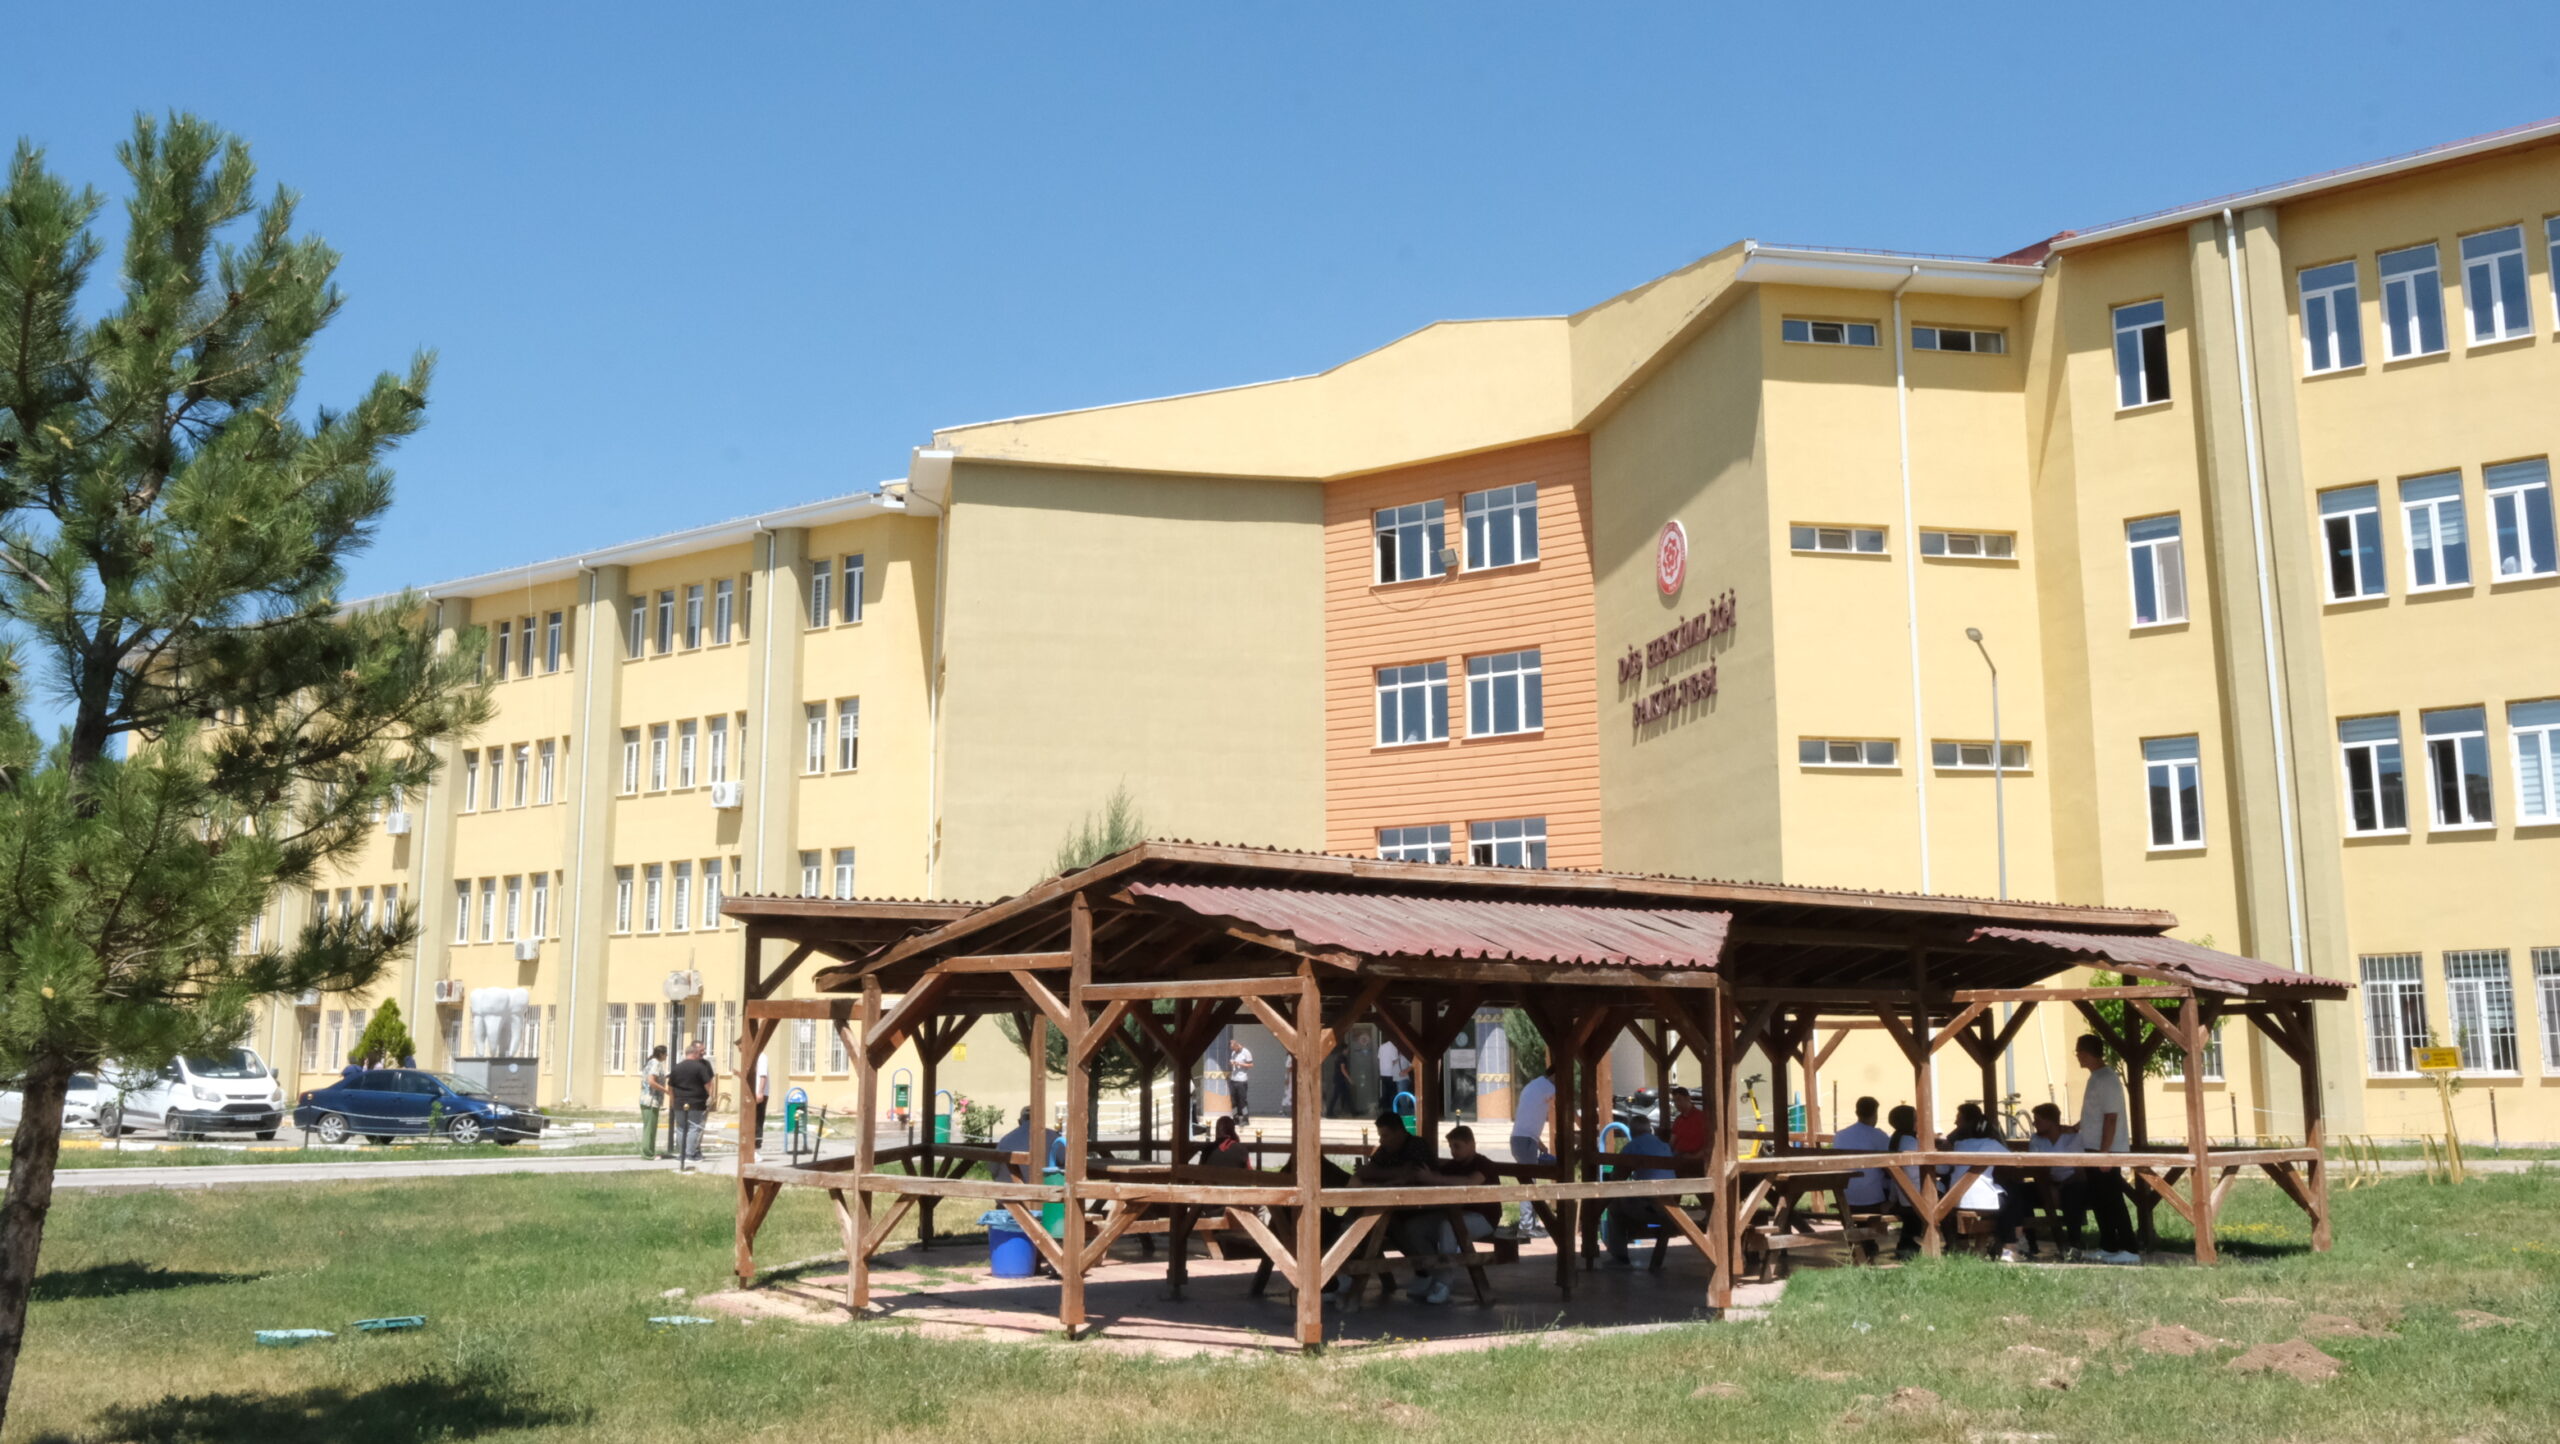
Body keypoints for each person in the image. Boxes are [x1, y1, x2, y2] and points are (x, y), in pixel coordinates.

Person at [2070, 1034, 2141, 1264]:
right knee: (2100, 1199)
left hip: (2105, 1150)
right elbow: (2095, 1114)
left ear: (2086, 1052)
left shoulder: (2108, 1079)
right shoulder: (2095, 1078)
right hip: (2093, 1148)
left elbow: (2111, 1117)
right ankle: (2109, 1245)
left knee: (2112, 1199)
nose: (2077, 1056)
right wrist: (2075, 1128)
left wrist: (2104, 1153)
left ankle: (2129, 1248)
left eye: (2078, 1052)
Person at [1599, 1116, 1677, 1267]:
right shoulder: (1664, 1146)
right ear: (1649, 1129)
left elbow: (1618, 1177)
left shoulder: (1632, 1146)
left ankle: (1619, 1255)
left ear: (1632, 1131)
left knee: (1614, 1206)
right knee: (1628, 1203)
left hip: (1650, 1208)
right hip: (1672, 1208)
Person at [2008, 1101, 2081, 1260]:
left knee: (2073, 1193)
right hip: (2046, 1182)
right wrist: (2050, 1186)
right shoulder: (2036, 1139)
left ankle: (2074, 1246)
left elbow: (2080, 1170)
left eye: (2038, 1120)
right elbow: (2036, 1167)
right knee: (2020, 1192)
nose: (2034, 1124)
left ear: (2051, 1122)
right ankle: (2029, 1243)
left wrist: (2060, 1186)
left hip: (2070, 1182)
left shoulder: (2072, 1138)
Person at [1941, 1102, 2010, 1250]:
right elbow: (2013, 1162)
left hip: (1955, 1199)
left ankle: (1961, 1244)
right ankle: (2006, 1244)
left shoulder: (1958, 1144)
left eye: (1959, 1119)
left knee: (1948, 1189)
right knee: (2011, 1199)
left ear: (1968, 1123)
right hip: (1982, 1201)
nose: (1955, 1123)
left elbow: (1941, 1169)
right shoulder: (1991, 1143)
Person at [1508, 1061, 1557, 1238]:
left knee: (1529, 1181)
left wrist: (1539, 1144)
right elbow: (1567, 1105)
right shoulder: (1548, 1087)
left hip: (1523, 1140)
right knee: (1529, 1184)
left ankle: (1531, 1224)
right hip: (1525, 1141)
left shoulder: (1535, 1085)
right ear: (1556, 1075)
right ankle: (1527, 1227)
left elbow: (1529, 1118)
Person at [1832, 1096, 1891, 1213]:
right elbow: (1890, 1163)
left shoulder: (1840, 1135)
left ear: (1857, 1113)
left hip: (1846, 1194)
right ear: (1875, 1114)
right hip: (1873, 1197)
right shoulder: (1878, 1135)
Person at [666, 1041, 716, 1172]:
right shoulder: (700, 1067)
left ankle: (682, 1154)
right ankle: (690, 1154)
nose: (701, 1055)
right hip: (696, 1102)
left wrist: (672, 1101)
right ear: (694, 1053)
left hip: (679, 1102)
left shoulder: (676, 1067)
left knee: (681, 1128)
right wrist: (711, 1097)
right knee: (694, 1127)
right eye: (699, 1053)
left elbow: (670, 1086)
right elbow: (708, 1084)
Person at [1886, 1104, 1926, 1257]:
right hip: (1916, 1193)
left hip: (1903, 1193)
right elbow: (1940, 1169)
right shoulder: (1910, 1142)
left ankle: (1906, 1247)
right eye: (1917, 1119)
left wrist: (1892, 1199)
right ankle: (1955, 1243)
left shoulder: (1896, 1139)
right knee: (1951, 1204)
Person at [993, 1106, 1050, 1183]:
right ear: (1042, 1120)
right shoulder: (1055, 1137)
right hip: (1047, 1188)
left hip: (1011, 1188)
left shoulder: (1005, 1140)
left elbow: (994, 1171)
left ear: (1019, 1122)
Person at [638, 1044, 668, 1160]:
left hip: (645, 1099)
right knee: (650, 1129)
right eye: (665, 1053)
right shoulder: (656, 1063)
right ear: (661, 1054)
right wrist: (666, 1091)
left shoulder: (651, 1062)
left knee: (649, 1127)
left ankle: (648, 1151)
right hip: (651, 1100)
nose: (666, 1056)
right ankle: (648, 1153)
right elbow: (651, 1081)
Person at [1666, 1086, 1707, 1156]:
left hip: (1695, 1158)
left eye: (1679, 1099)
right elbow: (1672, 1142)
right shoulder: (1678, 1120)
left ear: (1688, 1098)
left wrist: (1694, 1157)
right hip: (1677, 1156)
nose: (1676, 1103)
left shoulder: (1701, 1117)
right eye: (1674, 1101)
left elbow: (1708, 1143)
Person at [1228, 1037, 1254, 1126]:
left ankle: (1245, 1118)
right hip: (1233, 1079)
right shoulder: (1233, 1053)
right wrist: (1231, 1062)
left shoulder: (1246, 1052)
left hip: (1242, 1080)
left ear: (1237, 1046)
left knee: (1242, 1101)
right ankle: (1235, 1118)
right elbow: (1232, 1061)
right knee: (1233, 1101)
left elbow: (1251, 1065)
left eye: (1234, 1049)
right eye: (1232, 1049)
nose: (1233, 1051)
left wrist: (1240, 1064)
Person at [1376, 1037, 1406, 1111]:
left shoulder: (1381, 1046)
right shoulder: (1393, 1047)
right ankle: (1392, 1109)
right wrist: (1399, 1058)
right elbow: (1394, 1061)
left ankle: (1384, 1108)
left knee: (1386, 1091)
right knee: (1392, 1092)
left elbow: (1379, 1058)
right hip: (1391, 1073)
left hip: (1383, 1073)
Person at [752, 1045, 771, 1150]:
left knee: (758, 1121)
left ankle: (757, 1147)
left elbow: (763, 1076)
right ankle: (752, 1145)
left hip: (760, 1093)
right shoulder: (755, 1057)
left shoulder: (762, 1057)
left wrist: (760, 1092)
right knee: (753, 1120)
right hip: (754, 1092)